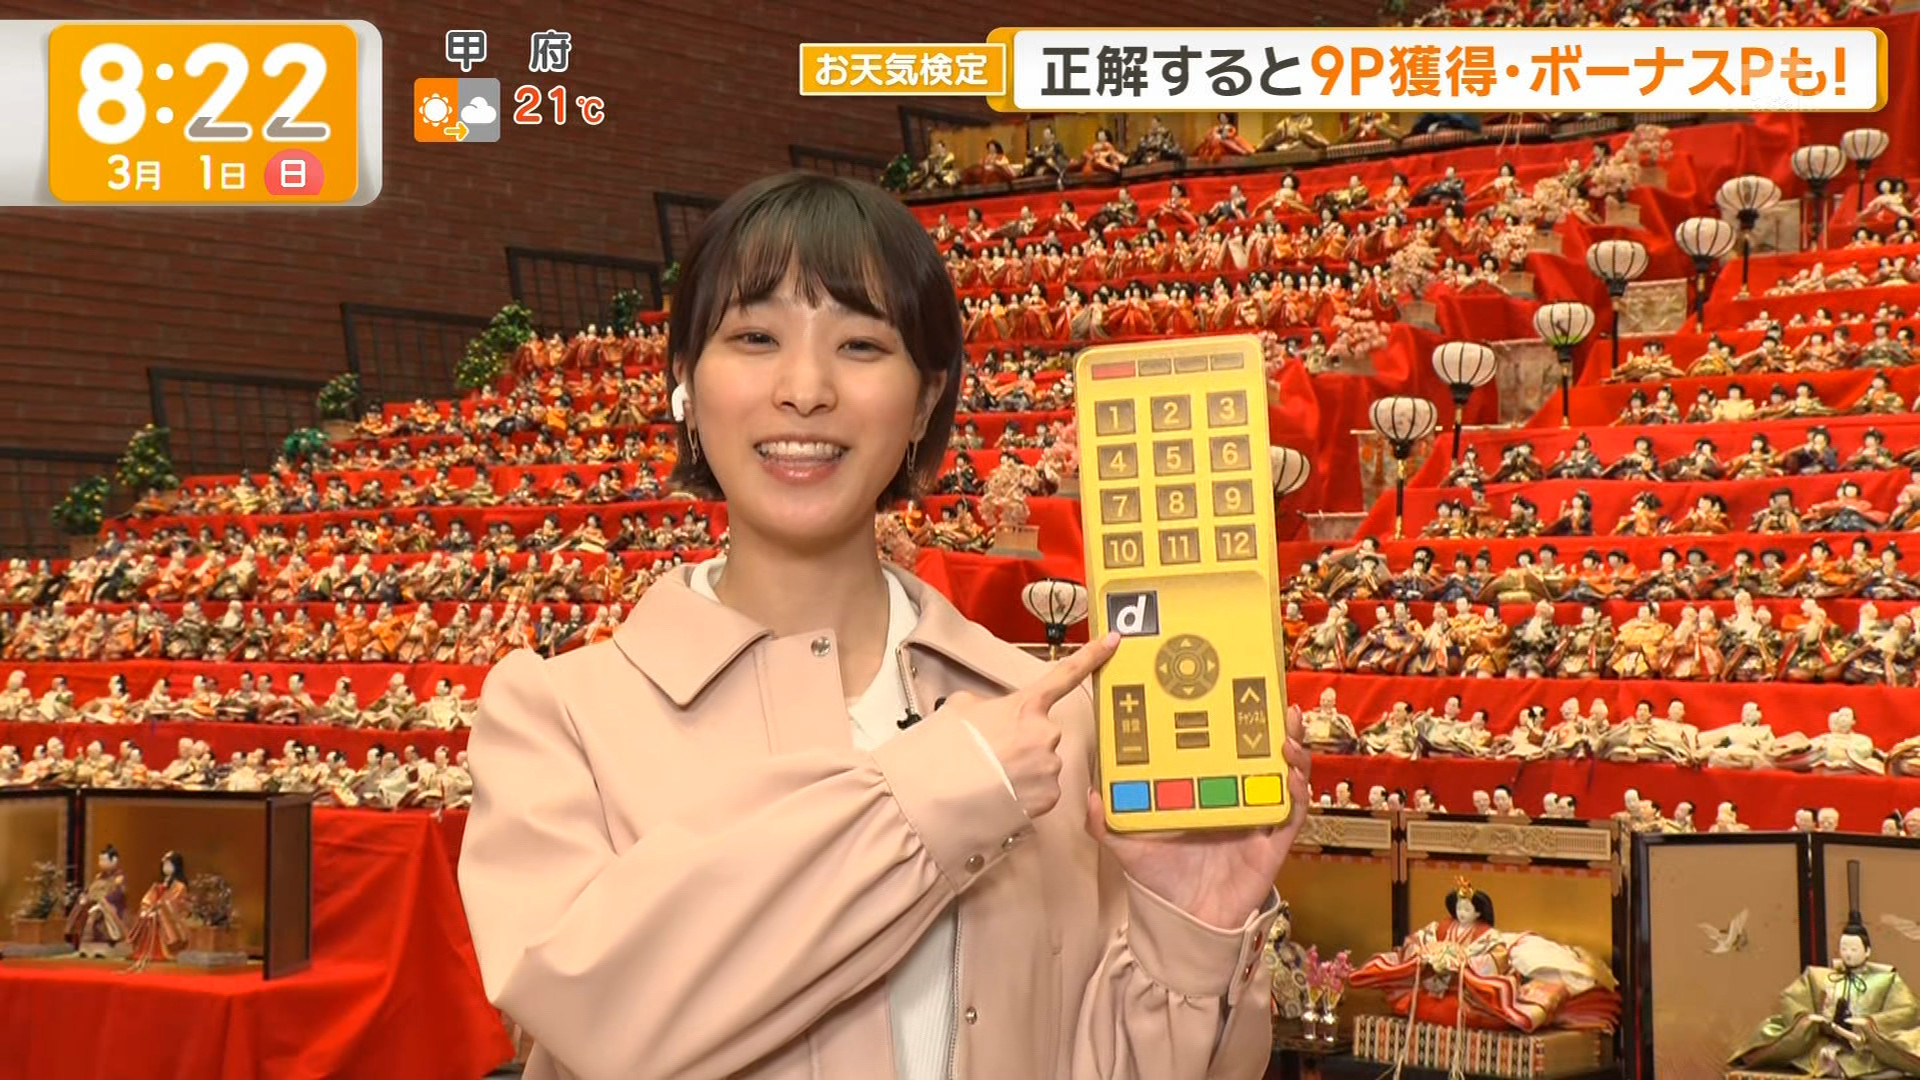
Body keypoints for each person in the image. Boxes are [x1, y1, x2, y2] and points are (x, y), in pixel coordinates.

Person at [457, 172, 1313, 1080]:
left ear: (925, 399)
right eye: (754, 337)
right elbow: (601, 1015)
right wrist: (945, 796)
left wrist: (1193, 931)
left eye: (861, 344)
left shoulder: (1049, 717)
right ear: (684, 384)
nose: (805, 389)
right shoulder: (557, 717)